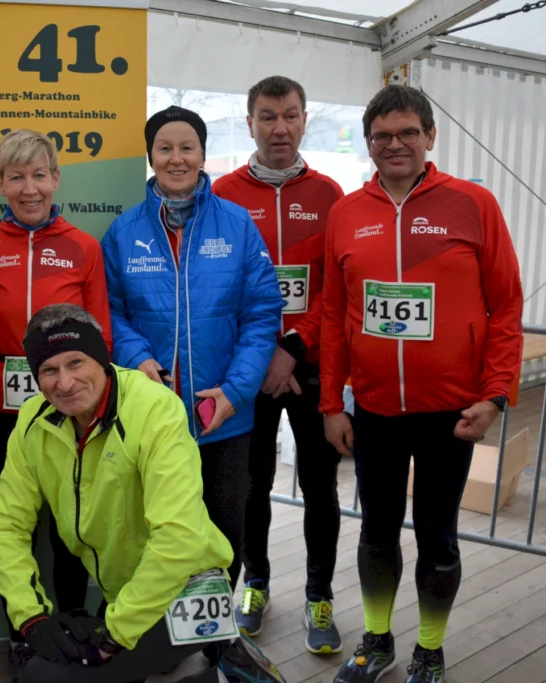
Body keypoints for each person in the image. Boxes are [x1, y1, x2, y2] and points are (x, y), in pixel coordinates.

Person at [320, 85, 523, 683]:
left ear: (430, 136)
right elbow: (334, 317)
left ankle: (429, 650)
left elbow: (506, 306)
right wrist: (332, 402)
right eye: (382, 136)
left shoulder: (473, 204)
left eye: (408, 132)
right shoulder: (346, 214)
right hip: (377, 408)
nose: (395, 144)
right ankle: (377, 641)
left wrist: (494, 395)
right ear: (369, 144)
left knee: (438, 536)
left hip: (451, 411)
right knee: (377, 532)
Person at [0, 303, 283, 683]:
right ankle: (212, 659)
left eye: (76, 362)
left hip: (188, 588)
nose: (64, 382)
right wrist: (30, 617)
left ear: (102, 358)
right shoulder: (33, 419)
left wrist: (116, 634)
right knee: (52, 659)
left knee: (47, 677)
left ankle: (220, 663)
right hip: (126, 592)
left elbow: (178, 539)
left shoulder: (156, 409)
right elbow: (7, 523)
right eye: (48, 370)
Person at [101, 106, 282, 590]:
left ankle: (214, 640)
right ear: (150, 156)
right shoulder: (124, 231)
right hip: (151, 418)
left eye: (187, 148)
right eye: (165, 148)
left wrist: (234, 391)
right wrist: (138, 360)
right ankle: (157, 636)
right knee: (153, 532)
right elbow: (111, 312)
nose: (176, 158)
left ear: (203, 155)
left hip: (223, 417)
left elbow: (262, 315)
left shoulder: (237, 225)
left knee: (224, 533)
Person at [0, 129, 111, 681]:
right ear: (1, 182)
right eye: (16, 176)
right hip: (8, 421)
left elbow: (101, 343)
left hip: (72, 412)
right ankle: (22, 635)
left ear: (56, 178)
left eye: (39, 175)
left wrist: (94, 412)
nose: (29, 188)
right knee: (17, 532)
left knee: (71, 530)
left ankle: (76, 627)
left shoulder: (84, 247)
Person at [212, 76, 345, 650]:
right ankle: (256, 582)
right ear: (249, 124)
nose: (280, 128)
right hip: (248, 369)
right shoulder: (220, 193)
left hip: (307, 366)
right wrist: (261, 354)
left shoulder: (331, 194)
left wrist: (291, 348)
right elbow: (218, 286)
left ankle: (320, 595)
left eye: (290, 115)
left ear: (305, 119)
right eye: (267, 117)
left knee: (320, 486)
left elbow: (335, 290)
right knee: (251, 485)